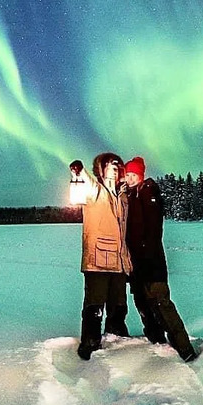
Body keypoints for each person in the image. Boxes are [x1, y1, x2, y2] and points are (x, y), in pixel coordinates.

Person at [124, 155, 197, 362]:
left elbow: (154, 230)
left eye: (132, 175)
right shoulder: (132, 195)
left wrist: (146, 255)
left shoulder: (148, 193)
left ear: (140, 175)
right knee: (142, 303)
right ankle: (157, 340)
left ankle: (185, 349)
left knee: (161, 303)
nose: (128, 178)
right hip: (137, 263)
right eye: (126, 175)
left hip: (151, 262)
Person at [70, 153, 132, 360]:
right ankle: (90, 341)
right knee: (95, 304)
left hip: (119, 259)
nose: (115, 168)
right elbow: (81, 188)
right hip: (97, 259)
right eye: (110, 165)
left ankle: (116, 335)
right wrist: (78, 173)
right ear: (100, 168)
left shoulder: (123, 194)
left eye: (117, 165)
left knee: (119, 304)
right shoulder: (95, 190)